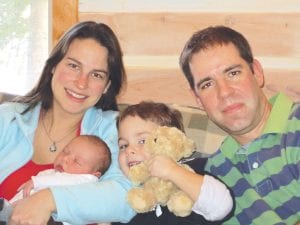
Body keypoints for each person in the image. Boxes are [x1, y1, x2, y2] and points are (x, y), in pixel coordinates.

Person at [0, 21, 135, 225]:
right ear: (54, 65)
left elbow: (128, 197)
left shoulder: (116, 130)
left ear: (107, 85)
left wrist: (50, 199)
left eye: (96, 75)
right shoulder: (7, 118)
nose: (81, 83)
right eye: (73, 66)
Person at [179, 25, 300, 225]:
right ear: (198, 99)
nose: (224, 92)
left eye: (233, 73)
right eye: (207, 84)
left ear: (257, 73)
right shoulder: (214, 174)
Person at [112, 101, 234, 225]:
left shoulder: (192, 170)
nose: (129, 150)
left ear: (171, 140)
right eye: (123, 145)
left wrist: (172, 171)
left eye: (142, 141)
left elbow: (221, 206)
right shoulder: (128, 198)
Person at [0, 135, 111, 225]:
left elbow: (62, 181)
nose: (65, 158)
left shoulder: (87, 180)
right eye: (65, 152)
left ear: (95, 175)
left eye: (77, 161)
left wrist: (36, 182)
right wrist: (10, 206)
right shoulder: (50, 173)